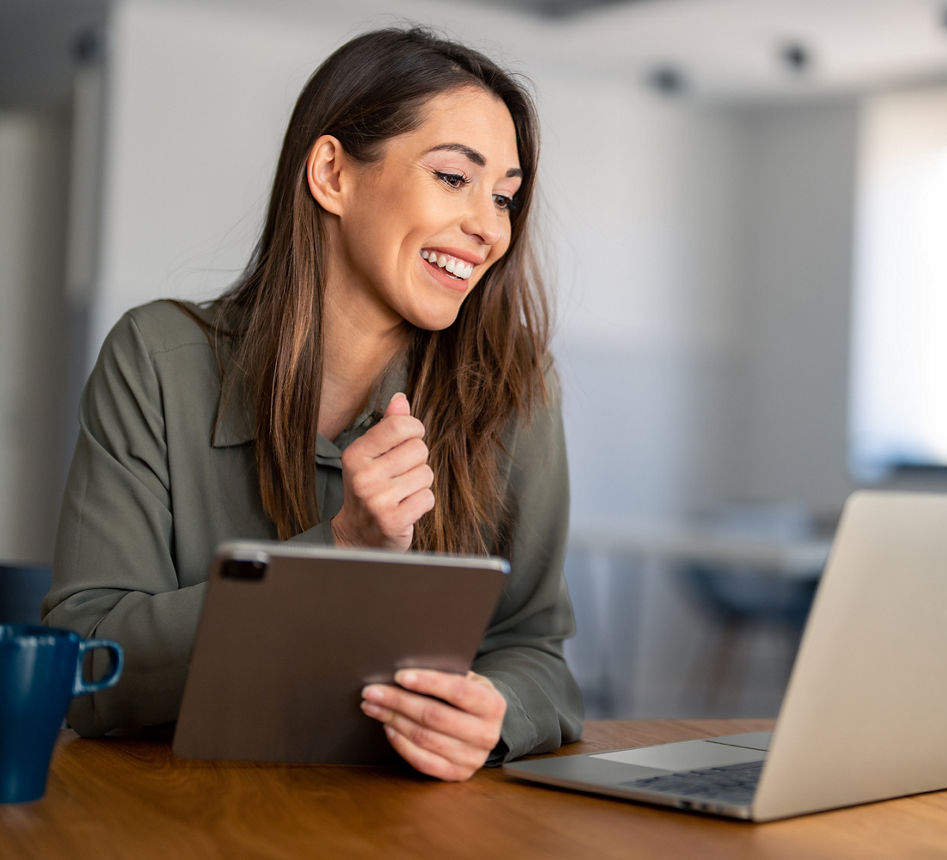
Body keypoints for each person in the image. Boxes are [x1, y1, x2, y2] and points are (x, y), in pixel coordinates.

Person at [42, 27, 582, 781]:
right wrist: (343, 549)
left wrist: (495, 713)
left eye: (504, 196)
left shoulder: (514, 383)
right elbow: (84, 668)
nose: (491, 228)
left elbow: (537, 654)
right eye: (455, 179)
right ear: (332, 173)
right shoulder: (158, 361)